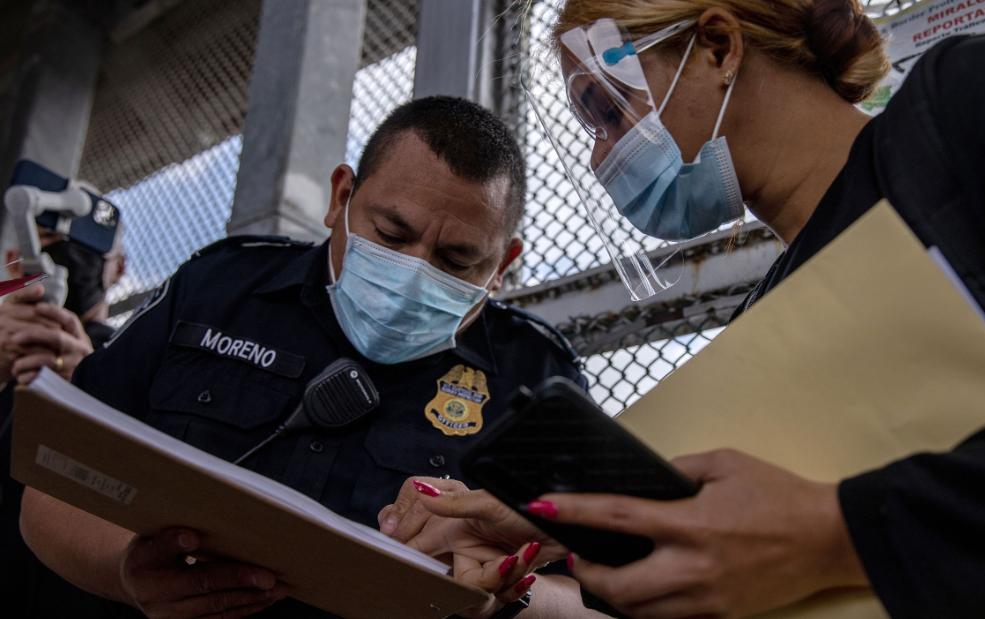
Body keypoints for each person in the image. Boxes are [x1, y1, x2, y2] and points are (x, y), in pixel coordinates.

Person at [378, 1, 985, 617]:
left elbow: (822, 537)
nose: (600, 157)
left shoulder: (973, 101)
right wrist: (550, 538)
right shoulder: (768, 323)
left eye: (606, 107)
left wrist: (837, 533)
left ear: (719, 46)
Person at [19, 96, 612, 619]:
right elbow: (51, 483)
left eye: (457, 261)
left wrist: (505, 598)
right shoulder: (221, 287)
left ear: (503, 266)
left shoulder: (535, 376)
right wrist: (126, 569)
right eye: (391, 233)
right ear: (342, 196)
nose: (413, 275)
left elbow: (598, 602)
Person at [1, 220, 126, 617]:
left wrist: (91, 387)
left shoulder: (137, 363)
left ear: (119, 266)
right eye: (47, 243)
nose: (61, 258)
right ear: (13, 262)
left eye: (84, 247)